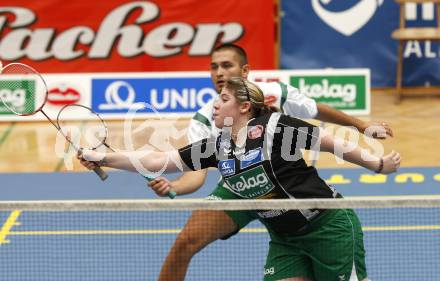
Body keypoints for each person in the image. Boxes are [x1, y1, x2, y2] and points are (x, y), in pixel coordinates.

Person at [78, 77, 400, 281]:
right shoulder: (217, 146)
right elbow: (159, 161)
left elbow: (327, 141)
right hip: (285, 240)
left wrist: (376, 163)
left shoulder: (274, 126)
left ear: (244, 107)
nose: (215, 105)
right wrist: (104, 157)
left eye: (223, 99)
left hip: (328, 229)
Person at [147, 44, 394, 281]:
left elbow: (315, 110)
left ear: (245, 71)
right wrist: (174, 187)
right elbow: (196, 172)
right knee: (185, 242)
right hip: (238, 189)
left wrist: (362, 126)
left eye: (227, 65)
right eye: (214, 67)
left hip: (282, 185)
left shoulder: (275, 93)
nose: (219, 72)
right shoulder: (203, 119)